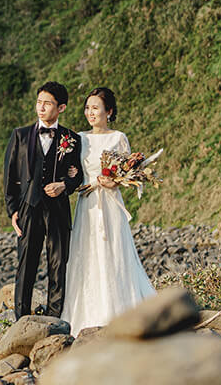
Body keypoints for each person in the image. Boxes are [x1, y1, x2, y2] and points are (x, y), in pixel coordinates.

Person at [61, 87, 156, 331]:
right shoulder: (79, 138)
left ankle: (118, 312)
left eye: (95, 108)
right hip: (88, 203)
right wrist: (74, 176)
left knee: (114, 252)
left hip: (110, 203)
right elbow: (74, 171)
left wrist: (114, 181)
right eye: (87, 108)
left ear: (109, 111)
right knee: (86, 253)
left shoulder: (118, 137)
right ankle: (87, 316)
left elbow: (127, 173)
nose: (90, 113)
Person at [3, 81, 83, 318]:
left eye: (47, 103)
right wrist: (12, 210)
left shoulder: (72, 138)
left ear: (61, 108)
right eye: (39, 102)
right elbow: (10, 176)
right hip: (29, 206)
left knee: (58, 265)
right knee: (26, 265)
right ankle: (21, 319)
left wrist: (64, 185)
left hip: (58, 209)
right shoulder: (20, 135)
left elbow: (78, 174)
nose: (41, 107)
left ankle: (54, 319)